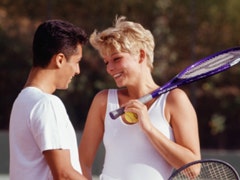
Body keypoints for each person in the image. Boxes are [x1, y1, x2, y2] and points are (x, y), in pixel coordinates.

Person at [79, 16, 201, 180]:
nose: (110, 68)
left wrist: (148, 128)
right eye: (106, 62)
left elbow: (193, 170)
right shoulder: (103, 100)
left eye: (116, 58)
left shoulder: (174, 99)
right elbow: (82, 163)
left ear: (141, 56)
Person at [9, 19, 88, 180]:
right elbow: (64, 174)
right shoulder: (47, 104)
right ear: (59, 59)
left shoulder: (22, 101)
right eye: (76, 62)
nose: (77, 70)